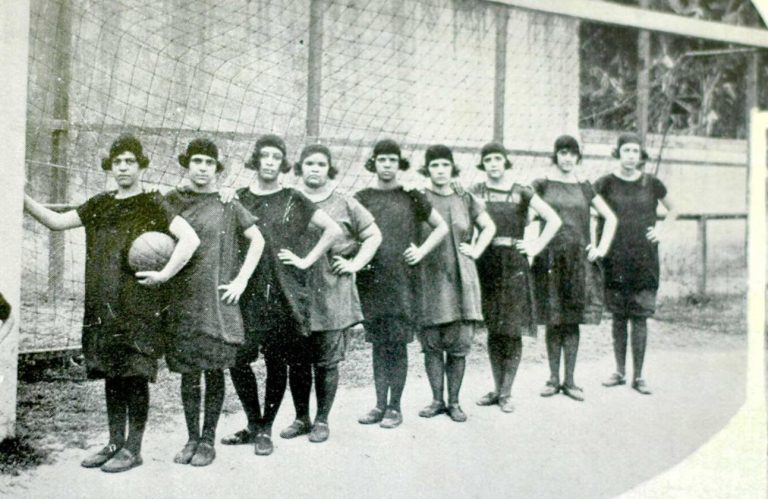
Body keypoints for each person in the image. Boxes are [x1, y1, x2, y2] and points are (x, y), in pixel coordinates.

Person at [24, 135, 200, 472]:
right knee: (112, 375)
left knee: (133, 374)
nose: (123, 167)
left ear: (140, 165)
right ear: (110, 166)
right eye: (117, 161)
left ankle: (133, 449)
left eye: (129, 161)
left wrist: (164, 275)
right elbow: (57, 222)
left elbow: (190, 239)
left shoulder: (153, 202)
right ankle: (113, 442)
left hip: (139, 305)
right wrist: (20, 197)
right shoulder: (100, 203)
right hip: (103, 304)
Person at [221, 134, 341, 456]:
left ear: (283, 163)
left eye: (277, 157)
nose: (270, 162)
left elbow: (333, 230)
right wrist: (225, 194)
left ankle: (265, 430)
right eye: (265, 156)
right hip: (244, 289)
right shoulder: (239, 198)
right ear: (256, 160)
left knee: (277, 363)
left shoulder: (294, 198)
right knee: (238, 359)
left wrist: (305, 260)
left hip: (282, 292)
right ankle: (252, 422)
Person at [164, 138, 265, 467]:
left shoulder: (228, 203)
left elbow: (257, 240)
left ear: (217, 168)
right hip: (182, 297)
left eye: (209, 163)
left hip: (216, 299)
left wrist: (242, 280)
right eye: (197, 162)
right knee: (189, 372)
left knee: (213, 369)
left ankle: (208, 439)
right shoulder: (172, 200)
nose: (202, 169)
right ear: (187, 165)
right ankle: (191, 437)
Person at [282, 143, 382, 442]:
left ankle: (322, 420)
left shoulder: (345, 203)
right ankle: (301, 418)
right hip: (296, 289)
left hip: (331, 291)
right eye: (309, 164)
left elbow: (373, 235)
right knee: (297, 360)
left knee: (326, 359)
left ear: (329, 170)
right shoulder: (289, 200)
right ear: (299, 169)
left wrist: (354, 264)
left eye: (321, 164)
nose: (314, 169)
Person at [355, 139, 448, 429]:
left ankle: (395, 407)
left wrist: (421, 251)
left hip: (403, 281)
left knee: (396, 344)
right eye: (382, 160)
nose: (387, 165)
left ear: (399, 164)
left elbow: (441, 227)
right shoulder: (362, 197)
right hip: (372, 279)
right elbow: (350, 231)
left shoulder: (412, 196)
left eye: (392, 160)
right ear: (374, 163)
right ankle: (378, 404)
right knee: (377, 344)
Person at [470, 142, 561, 413]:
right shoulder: (476, 192)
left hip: (514, 265)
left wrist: (533, 246)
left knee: (512, 329)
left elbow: (553, 219)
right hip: (486, 263)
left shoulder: (522, 192)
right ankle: (497, 389)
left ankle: (507, 392)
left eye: (498, 159)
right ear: (483, 164)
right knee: (494, 329)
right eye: (488, 160)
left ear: (506, 162)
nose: (493, 164)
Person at [531, 135, 617, 402]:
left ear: (578, 157)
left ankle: (570, 381)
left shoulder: (585, 186)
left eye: (572, 153)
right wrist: (532, 244)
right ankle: (552, 379)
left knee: (571, 319)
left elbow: (611, 218)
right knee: (553, 319)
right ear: (555, 155)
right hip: (549, 260)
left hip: (578, 262)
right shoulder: (541, 184)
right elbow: (526, 213)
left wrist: (600, 248)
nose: (567, 158)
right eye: (562, 153)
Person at [416, 144, 496, 423]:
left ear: (452, 168)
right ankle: (437, 400)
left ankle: (454, 402)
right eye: (434, 165)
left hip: (461, 276)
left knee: (459, 342)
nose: (440, 170)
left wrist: (476, 249)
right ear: (427, 170)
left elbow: (489, 226)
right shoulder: (419, 198)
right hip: (429, 275)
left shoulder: (465, 197)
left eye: (444, 165)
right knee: (432, 342)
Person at [595, 133, 676, 395]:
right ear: (617, 153)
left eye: (635, 151)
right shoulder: (605, 183)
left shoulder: (651, 183)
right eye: (626, 150)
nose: (631, 155)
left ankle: (639, 377)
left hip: (644, 260)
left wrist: (662, 231)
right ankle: (619, 371)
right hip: (615, 258)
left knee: (640, 317)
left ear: (641, 156)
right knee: (618, 316)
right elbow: (587, 207)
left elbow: (674, 209)